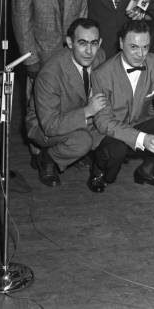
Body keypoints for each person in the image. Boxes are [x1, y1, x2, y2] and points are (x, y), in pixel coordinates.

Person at [12, 0, 91, 167]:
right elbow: (21, 19)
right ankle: (38, 154)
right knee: (37, 108)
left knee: (72, 102)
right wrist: (30, 58)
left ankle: (66, 149)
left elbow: (84, 11)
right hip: (40, 54)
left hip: (71, 54)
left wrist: (82, 49)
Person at [88, 20, 154, 193]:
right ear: (121, 43)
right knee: (115, 154)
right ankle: (99, 170)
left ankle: (146, 170)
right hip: (109, 131)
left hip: (139, 122)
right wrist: (142, 138)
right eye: (134, 47)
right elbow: (103, 122)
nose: (141, 54)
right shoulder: (102, 74)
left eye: (145, 47)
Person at [25, 18, 107, 186]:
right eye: (82, 43)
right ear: (69, 43)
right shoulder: (50, 74)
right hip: (45, 125)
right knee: (82, 141)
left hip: (77, 114)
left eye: (94, 43)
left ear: (100, 43)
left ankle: (87, 157)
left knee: (117, 126)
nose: (89, 51)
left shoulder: (100, 56)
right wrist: (88, 112)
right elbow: (49, 125)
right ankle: (46, 158)